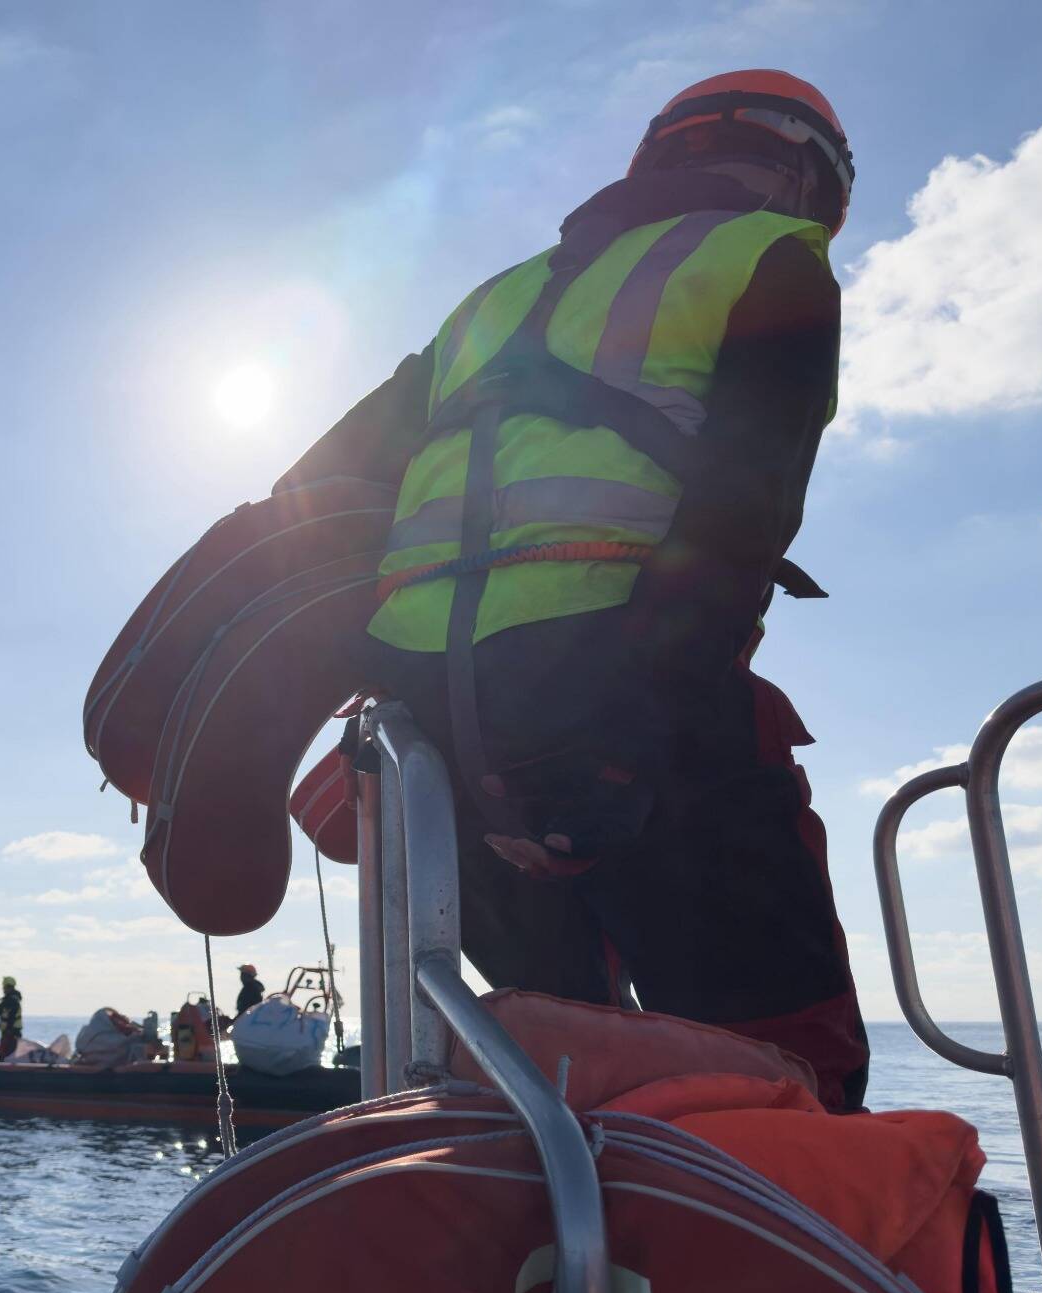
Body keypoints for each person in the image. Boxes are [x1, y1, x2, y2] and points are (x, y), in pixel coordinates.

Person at [276, 70, 868, 1111]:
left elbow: (314, 491)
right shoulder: (768, 254)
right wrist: (624, 736)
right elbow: (743, 510)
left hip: (433, 733)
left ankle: (563, 1207)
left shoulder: (490, 302)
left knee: (556, 1053)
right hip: (624, 695)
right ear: (806, 179)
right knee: (783, 1058)